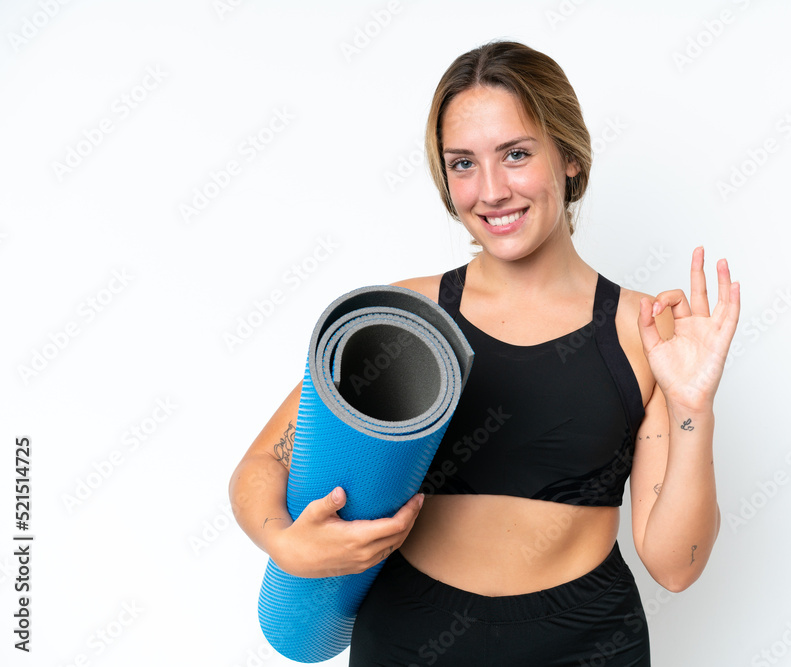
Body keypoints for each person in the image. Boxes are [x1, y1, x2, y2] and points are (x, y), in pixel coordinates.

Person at [229, 40, 740, 666]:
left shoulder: (649, 331)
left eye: (516, 155)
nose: (491, 190)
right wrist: (285, 544)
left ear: (571, 157)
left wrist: (694, 407)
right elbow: (262, 466)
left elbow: (675, 566)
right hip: (411, 638)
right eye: (463, 164)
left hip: (587, 643)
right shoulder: (403, 318)